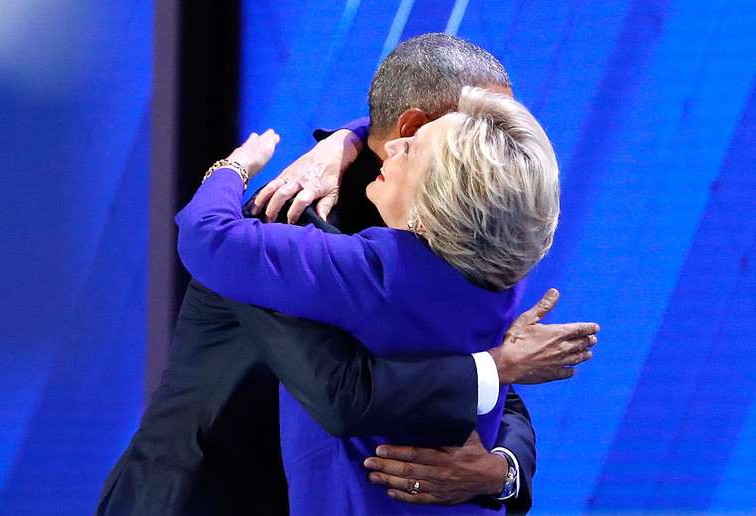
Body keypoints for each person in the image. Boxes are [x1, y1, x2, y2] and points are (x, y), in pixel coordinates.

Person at [96, 34, 598, 516]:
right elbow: (342, 394)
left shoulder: (466, 227)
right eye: (482, 126)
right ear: (413, 128)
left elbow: (496, 389)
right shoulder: (293, 218)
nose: (498, 146)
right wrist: (498, 364)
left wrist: (499, 472)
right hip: (204, 499)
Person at [175, 85, 561, 515]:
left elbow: (206, 236)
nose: (394, 146)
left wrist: (234, 168)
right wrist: (349, 138)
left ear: (439, 195)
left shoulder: (373, 271)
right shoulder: (505, 281)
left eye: (411, 150)